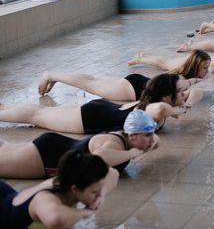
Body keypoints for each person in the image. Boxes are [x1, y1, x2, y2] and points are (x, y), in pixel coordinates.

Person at [0, 73, 194, 134]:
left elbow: (167, 107)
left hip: (101, 111)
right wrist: (180, 109)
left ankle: (4, 109)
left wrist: (179, 106)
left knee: (40, 113)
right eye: (179, 92)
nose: (184, 94)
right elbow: (161, 109)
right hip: (91, 118)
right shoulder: (155, 109)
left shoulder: (153, 106)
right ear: (166, 96)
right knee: (37, 116)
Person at [0, 110, 158, 179]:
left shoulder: (127, 140)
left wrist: (149, 143)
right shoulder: (114, 143)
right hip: (46, 157)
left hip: (53, 146)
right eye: (148, 135)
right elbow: (100, 157)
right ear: (132, 135)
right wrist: (131, 154)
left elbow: (155, 142)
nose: (152, 139)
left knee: (4, 149)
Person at [0, 149, 119, 228]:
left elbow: (113, 173)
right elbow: (56, 219)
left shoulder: (67, 180)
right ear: (75, 189)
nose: (97, 196)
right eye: (94, 192)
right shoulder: (45, 200)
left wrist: (101, 194)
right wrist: (83, 213)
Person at [39, 50, 211, 101]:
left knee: (92, 80)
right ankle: (51, 75)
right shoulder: (181, 79)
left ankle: (54, 76)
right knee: (88, 85)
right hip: (132, 89)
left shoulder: (180, 75)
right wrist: (196, 81)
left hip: (136, 83)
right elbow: (186, 87)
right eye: (205, 68)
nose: (207, 72)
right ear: (195, 68)